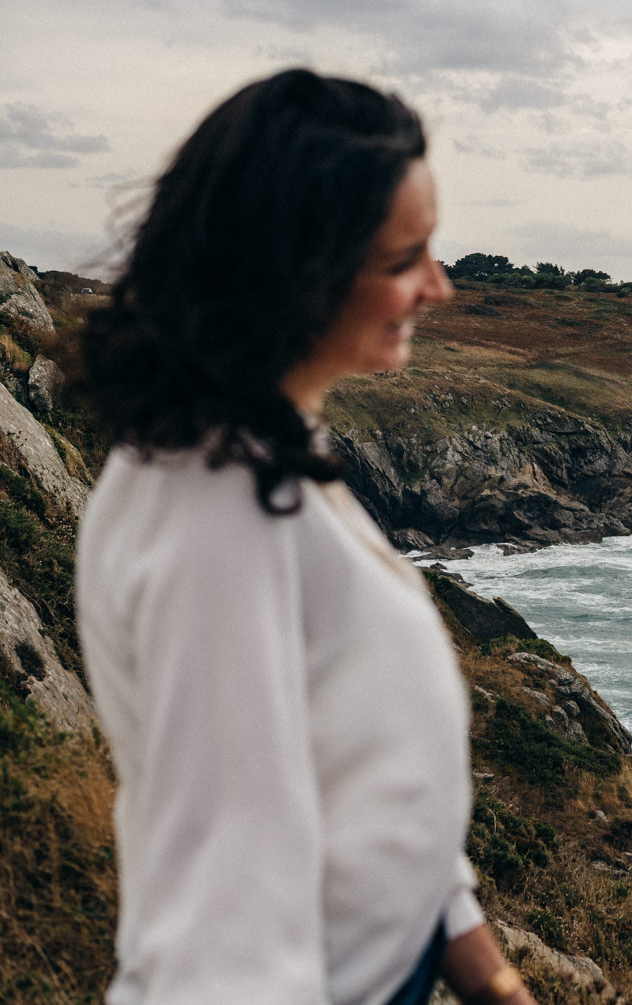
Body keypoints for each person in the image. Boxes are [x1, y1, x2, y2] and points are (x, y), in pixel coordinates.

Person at [76, 68, 535, 1005]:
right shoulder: (218, 511)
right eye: (406, 259)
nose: (439, 289)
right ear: (300, 272)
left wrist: (483, 966)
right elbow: (225, 921)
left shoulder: (265, 438)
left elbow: (356, 763)